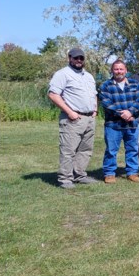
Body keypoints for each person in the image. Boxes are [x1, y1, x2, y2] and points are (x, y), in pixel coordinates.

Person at [48, 46, 99, 189]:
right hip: (72, 118)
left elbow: (94, 94)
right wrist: (69, 112)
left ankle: (79, 175)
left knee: (85, 149)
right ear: (69, 58)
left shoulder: (88, 76)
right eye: (75, 57)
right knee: (68, 150)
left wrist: (95, 110)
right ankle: (65, 179)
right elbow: (53, 94)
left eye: (81, 58)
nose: (78, 60)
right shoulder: (62, 74)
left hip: (89, 118)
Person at [99, 59, 139, 183]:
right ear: (112, 71)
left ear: (126, 70)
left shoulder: (135, 84)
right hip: (113, 124)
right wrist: (123, 114)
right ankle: (109, 173)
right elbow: (107, 103)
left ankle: (132, 172)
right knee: (111, 150)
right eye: (116, 69)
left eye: (121, 69)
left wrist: (130, 112)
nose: (119, 71)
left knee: (132, 149)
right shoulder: (105, 86)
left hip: (132, 123)